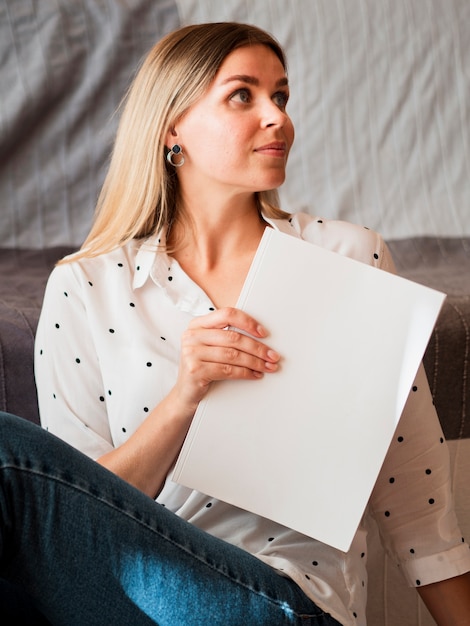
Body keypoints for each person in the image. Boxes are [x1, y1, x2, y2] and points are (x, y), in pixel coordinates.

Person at [1, 21, 469, 626]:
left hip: (279, 599)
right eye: (243, 95)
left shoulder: (350, 259)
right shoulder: (87, 284)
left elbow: (415, 498)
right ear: (173, 127)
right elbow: (67, 511)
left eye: (281, 96)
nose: (277, 117)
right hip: (122, 595)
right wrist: (184, 399)